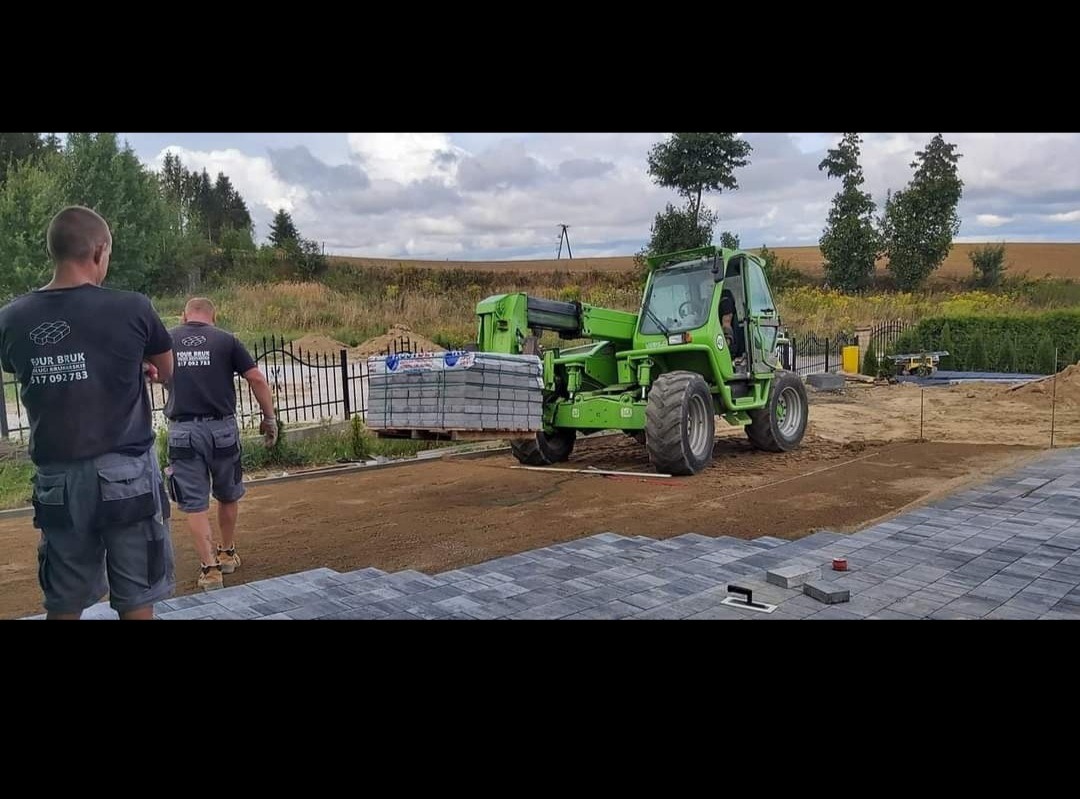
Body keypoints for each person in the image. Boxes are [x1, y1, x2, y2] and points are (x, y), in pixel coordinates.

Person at [0, 206, 175, 620]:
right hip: (126, 475)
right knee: (136, 597)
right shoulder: (132, 307)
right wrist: (135, 362)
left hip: (58, 479)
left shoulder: (11, 318)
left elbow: (21, 365)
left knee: (64, 600)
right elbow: (167, 371)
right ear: (99, 251)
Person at [163, 297, 277, 591]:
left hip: (184, 432)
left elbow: (148, 373)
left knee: (195, 504)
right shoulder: (226, 340)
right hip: (222, 429)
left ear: (184, 315)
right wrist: (269, 418)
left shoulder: (167, 339)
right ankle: (227, 552)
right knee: (228, 494)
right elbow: (256, 379)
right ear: (213, 316)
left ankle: (210, 570)